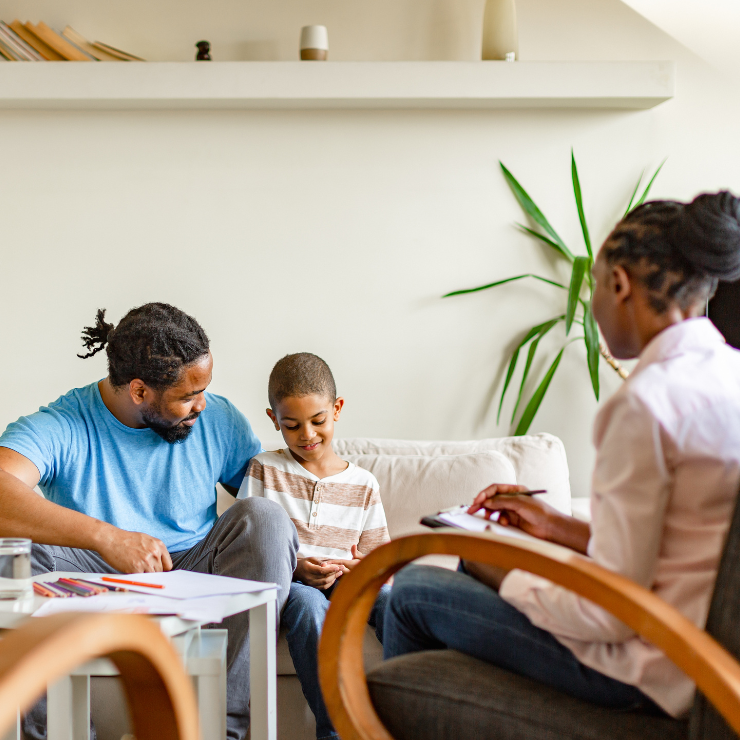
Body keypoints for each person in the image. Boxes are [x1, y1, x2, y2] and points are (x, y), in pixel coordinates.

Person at [383, 191, 740, 720]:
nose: (594, 303)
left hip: (650, 670)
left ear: (618, 285)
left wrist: (499, 572)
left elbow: (610, 616)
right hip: (709, 665)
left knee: (412, 590)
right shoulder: (729, 376)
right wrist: (556, 527)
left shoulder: (646, 404)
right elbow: (673, 551)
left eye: (595, 284)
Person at [0, 303, 298, 740]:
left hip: (195, 567)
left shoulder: (218, 418)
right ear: (139, 391)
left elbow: (268, 500)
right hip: (94, 575)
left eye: (204, 389)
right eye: (187, 396)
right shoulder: (63, 423)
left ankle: (219, 731)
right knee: (16, 552)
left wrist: (306, 553)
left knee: (266, 518)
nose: (202, 405)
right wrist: (107, 537)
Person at [238, 353, 390, 740]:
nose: (307, 435)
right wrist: (296, 568)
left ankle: (411, 709)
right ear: (274, 420)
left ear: (336, 410)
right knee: (307, 606)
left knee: (393, 601)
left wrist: (361, 570)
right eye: (291, 425)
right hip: (296, 584)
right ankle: (338, 731)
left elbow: (378, 560)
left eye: (318, 421)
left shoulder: (364, 484)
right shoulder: (264, 469)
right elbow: (248, 547)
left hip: (349, 582)